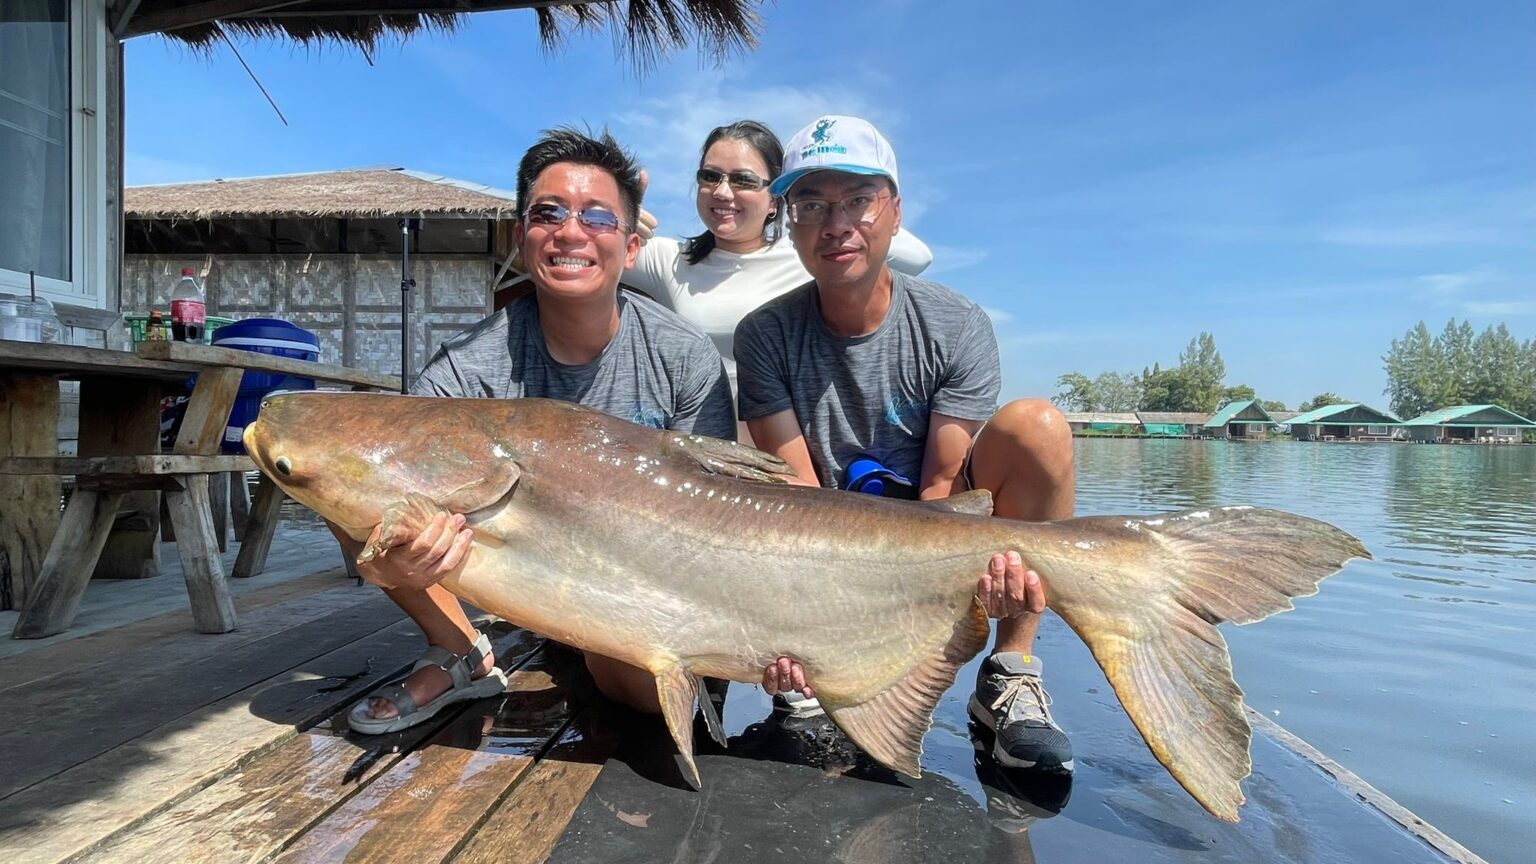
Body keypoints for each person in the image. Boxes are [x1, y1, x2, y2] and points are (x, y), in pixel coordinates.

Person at [333, 127, 737, 733]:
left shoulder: (684, 356)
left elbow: (718, 517)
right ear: (521, 238)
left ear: (631, 247)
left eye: (597, 217)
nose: (570, 232)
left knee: (639, 694)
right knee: (347, 477)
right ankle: (460, 650)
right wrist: (384, 566)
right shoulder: (466, 370)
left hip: (641, 587)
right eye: (549, 213)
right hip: (516, 576)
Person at [734, 115, 1076, 773]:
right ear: (788, 223)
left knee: (1039, 426)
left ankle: (1010, 671)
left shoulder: (957, 325)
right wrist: (811, 636)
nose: (835, 224)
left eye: (858, 201)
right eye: (811, 205)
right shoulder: (764, 335)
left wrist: (968, 590)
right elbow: (798, 499)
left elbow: (941, 490)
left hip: (932, 531)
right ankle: (817, 669)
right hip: (826, 555)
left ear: (894, 212)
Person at [622, 119, 933, 404]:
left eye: (743, 180)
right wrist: (616, 219)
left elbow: (919, 257)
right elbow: (597, 257)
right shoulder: (668, 260)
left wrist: (830, 209)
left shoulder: (811, 255)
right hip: (701, 436)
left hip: (788, 433)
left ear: (774, 200)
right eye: (710, 176)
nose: (722, 191)